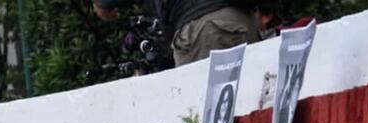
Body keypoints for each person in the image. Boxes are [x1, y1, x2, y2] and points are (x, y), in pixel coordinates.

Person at [92, 0, 259, 67]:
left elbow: (105, 5)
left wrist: (103, 2)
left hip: (207, 29)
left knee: (207, 118)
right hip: (239, 20)